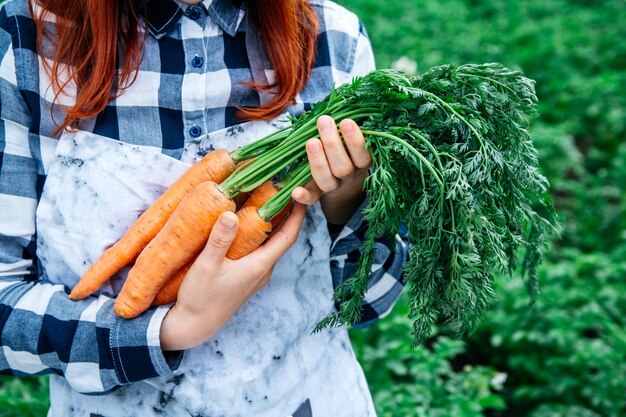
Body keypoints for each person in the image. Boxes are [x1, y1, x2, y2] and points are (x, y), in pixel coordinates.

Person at [0, 0, 408, 415]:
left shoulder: (330, 36)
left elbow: (371, 300)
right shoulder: (26, 37)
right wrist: (168, 330)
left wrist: (349, 203)